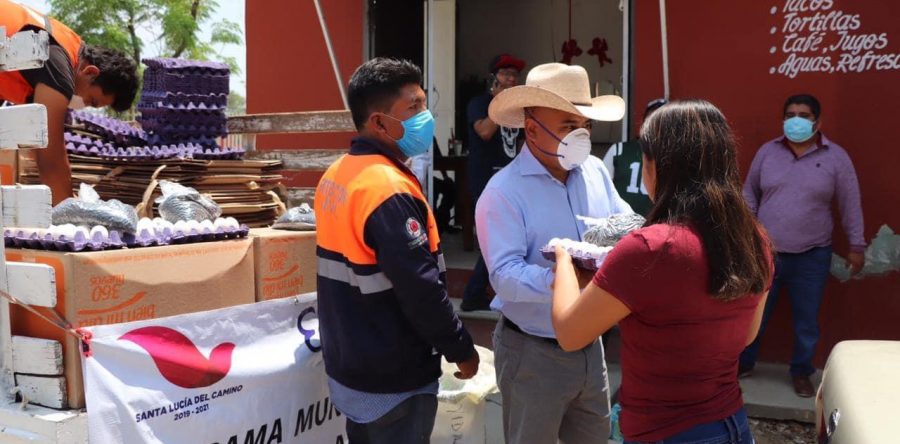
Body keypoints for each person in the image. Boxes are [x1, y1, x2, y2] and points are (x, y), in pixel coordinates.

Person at [552, 99, 774, 443]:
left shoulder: (650, 248)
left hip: (666, 431)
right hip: (732, 425)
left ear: (657, 166)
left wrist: (564, 259)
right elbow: (746, 335)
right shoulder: (754, 238)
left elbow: (569, 334)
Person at [314, 58, 478, 444]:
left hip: (351, 363)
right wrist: (460, 348)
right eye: (414, 107)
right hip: (394, 377)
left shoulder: (336, 175)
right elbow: (421, 289)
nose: (426, 116)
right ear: (380, 123)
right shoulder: (387, 189)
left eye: (424, 104)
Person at [477, 62, 629, 443]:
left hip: (591, 348)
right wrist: (562, 278)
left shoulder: (595, 171)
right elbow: (504, 276)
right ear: (531, 129)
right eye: (568, 126)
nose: (580, 135)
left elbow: (622, 223)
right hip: (533, 354)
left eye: (585, 126)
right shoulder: (503, 192)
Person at [739, 93, 866, 397]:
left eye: (804, 115)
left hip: (812, 255)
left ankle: (801, 371)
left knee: (806, 321)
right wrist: (748, 231)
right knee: (753, 314)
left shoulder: (836, 157)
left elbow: (850, 203)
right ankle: (743, 363)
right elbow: (749, 192)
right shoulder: (768, 152)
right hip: (765, 253)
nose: (795, 120)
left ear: (817, 122)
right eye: (790, 115)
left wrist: (857, 245)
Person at [0, 0, 139, 204]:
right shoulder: (58, 67)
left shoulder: (53, 50)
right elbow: (50, 159)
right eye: (91, 101)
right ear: (90, 72)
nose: (84, 106)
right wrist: (69, 209)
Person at [460, 53, 526, 311]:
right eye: (505, 73)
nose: (511, 79)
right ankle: (473, 294)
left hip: (512, 179)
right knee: (495, 237)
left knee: (508, 236)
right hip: (486, 180)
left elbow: (520, 143)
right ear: (493, 78)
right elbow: (485, 131)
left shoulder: (518, 109)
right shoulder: (479, 103)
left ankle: (479, 293)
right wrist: (500, 103)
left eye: (514, 75)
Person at [602, 98, 666, 216]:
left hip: (658, 225)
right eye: (652, 120)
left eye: (663, 122)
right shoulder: (619, 151)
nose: (656, 126)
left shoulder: (676, 157)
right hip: (621, 223)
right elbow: (600, 190)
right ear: (643, 123)